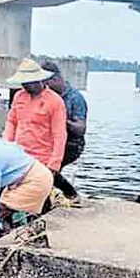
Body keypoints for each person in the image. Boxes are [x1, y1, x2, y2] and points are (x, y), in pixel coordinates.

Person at [3, 58, 67, 178]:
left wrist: (54, 165)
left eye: (27, 82)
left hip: (42, 159)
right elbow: (11, 122)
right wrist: (6, 145)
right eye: (22, 82)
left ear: (38, 80)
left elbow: (59, 135)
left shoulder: (55, 101)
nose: (24, 86)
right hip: (19, 157)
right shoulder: (19, 96)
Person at [40, 60, 87, 199]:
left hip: (72, 144)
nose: (43, 88)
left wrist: (61, 121)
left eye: (45, 84)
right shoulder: (47, 97)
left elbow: (80, 129)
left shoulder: (75, 98)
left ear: (54, 79)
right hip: (53, 142)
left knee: (49, 170)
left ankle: (70, 194)